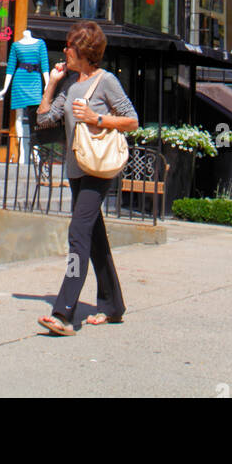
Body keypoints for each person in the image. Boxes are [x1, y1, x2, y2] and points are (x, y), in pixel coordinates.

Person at [35, 20, 138, 334]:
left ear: (84, 51)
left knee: (78, 235)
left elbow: (132, 121)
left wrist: (97, 118)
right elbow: (44, 119)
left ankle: (64, 312)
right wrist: (52, 84)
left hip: (98, 169)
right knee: (94, 239)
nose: (65, 50)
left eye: (70, 46)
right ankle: (112, 305)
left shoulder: (106, 82)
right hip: (77, 170)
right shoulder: (71, 85)